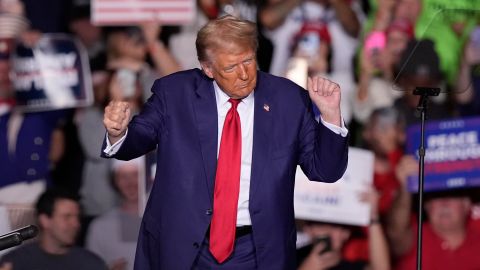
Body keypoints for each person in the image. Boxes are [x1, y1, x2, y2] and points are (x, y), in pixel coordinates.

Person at [102, 15, 349, 269]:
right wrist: (119, 133)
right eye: (231, 68)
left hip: (257, 248)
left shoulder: (288, 99)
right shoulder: (175, 93)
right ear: (208, 68)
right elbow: (139, 138)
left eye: (249, 61)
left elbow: (325, 171)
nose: (243, 75)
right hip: (184, 244)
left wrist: (330, 116)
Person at [386, 156, 480, 270]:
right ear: (426, 206)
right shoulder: (415, 239)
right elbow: (396, 232)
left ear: (467, 204)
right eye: (436, 198)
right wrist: (407, 185)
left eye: (452, 196)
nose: (444, 204)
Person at [0, 188, 108, 270]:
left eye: (77, 217)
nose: (76, 224)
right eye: (67, 217)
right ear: (45, 220)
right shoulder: (16, 262)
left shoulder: (91, 264)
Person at [86, 158, 143, 270]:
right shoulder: (100, 226)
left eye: (136, 174)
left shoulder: (166, 221)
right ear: (115, 181)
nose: (130, 183)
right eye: (123, 176)